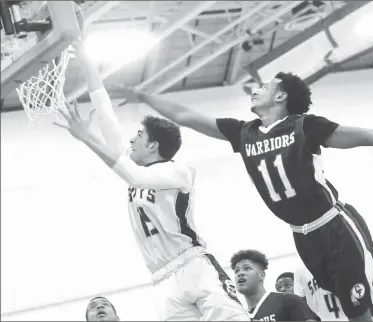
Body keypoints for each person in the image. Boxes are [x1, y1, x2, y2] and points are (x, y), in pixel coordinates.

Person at [110, 72, 373, 321]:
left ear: (281, 96)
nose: (257, 89)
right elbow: (188, 117)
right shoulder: (244, 133)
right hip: (303, 235)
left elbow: (366, 135)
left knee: (359, 309)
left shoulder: (305, 126)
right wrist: (144, 96)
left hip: (334, 226)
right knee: (364, 299)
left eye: (266, 86)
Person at [53, 46, 249, 321]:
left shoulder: (178, 171)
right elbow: (107, 117)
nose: (131, 140)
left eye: (139, 135)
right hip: (163, 279)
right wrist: (87, 62)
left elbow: (136, 177)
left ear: (154, 145)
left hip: (194, 267)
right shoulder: (132, 166)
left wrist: (87, 138)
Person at [231, 249, 320, 321]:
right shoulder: (241, 316)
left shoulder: (287, 300)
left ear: (261, 275)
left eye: (247, 268)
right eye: (237, 271)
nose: (240, 273)